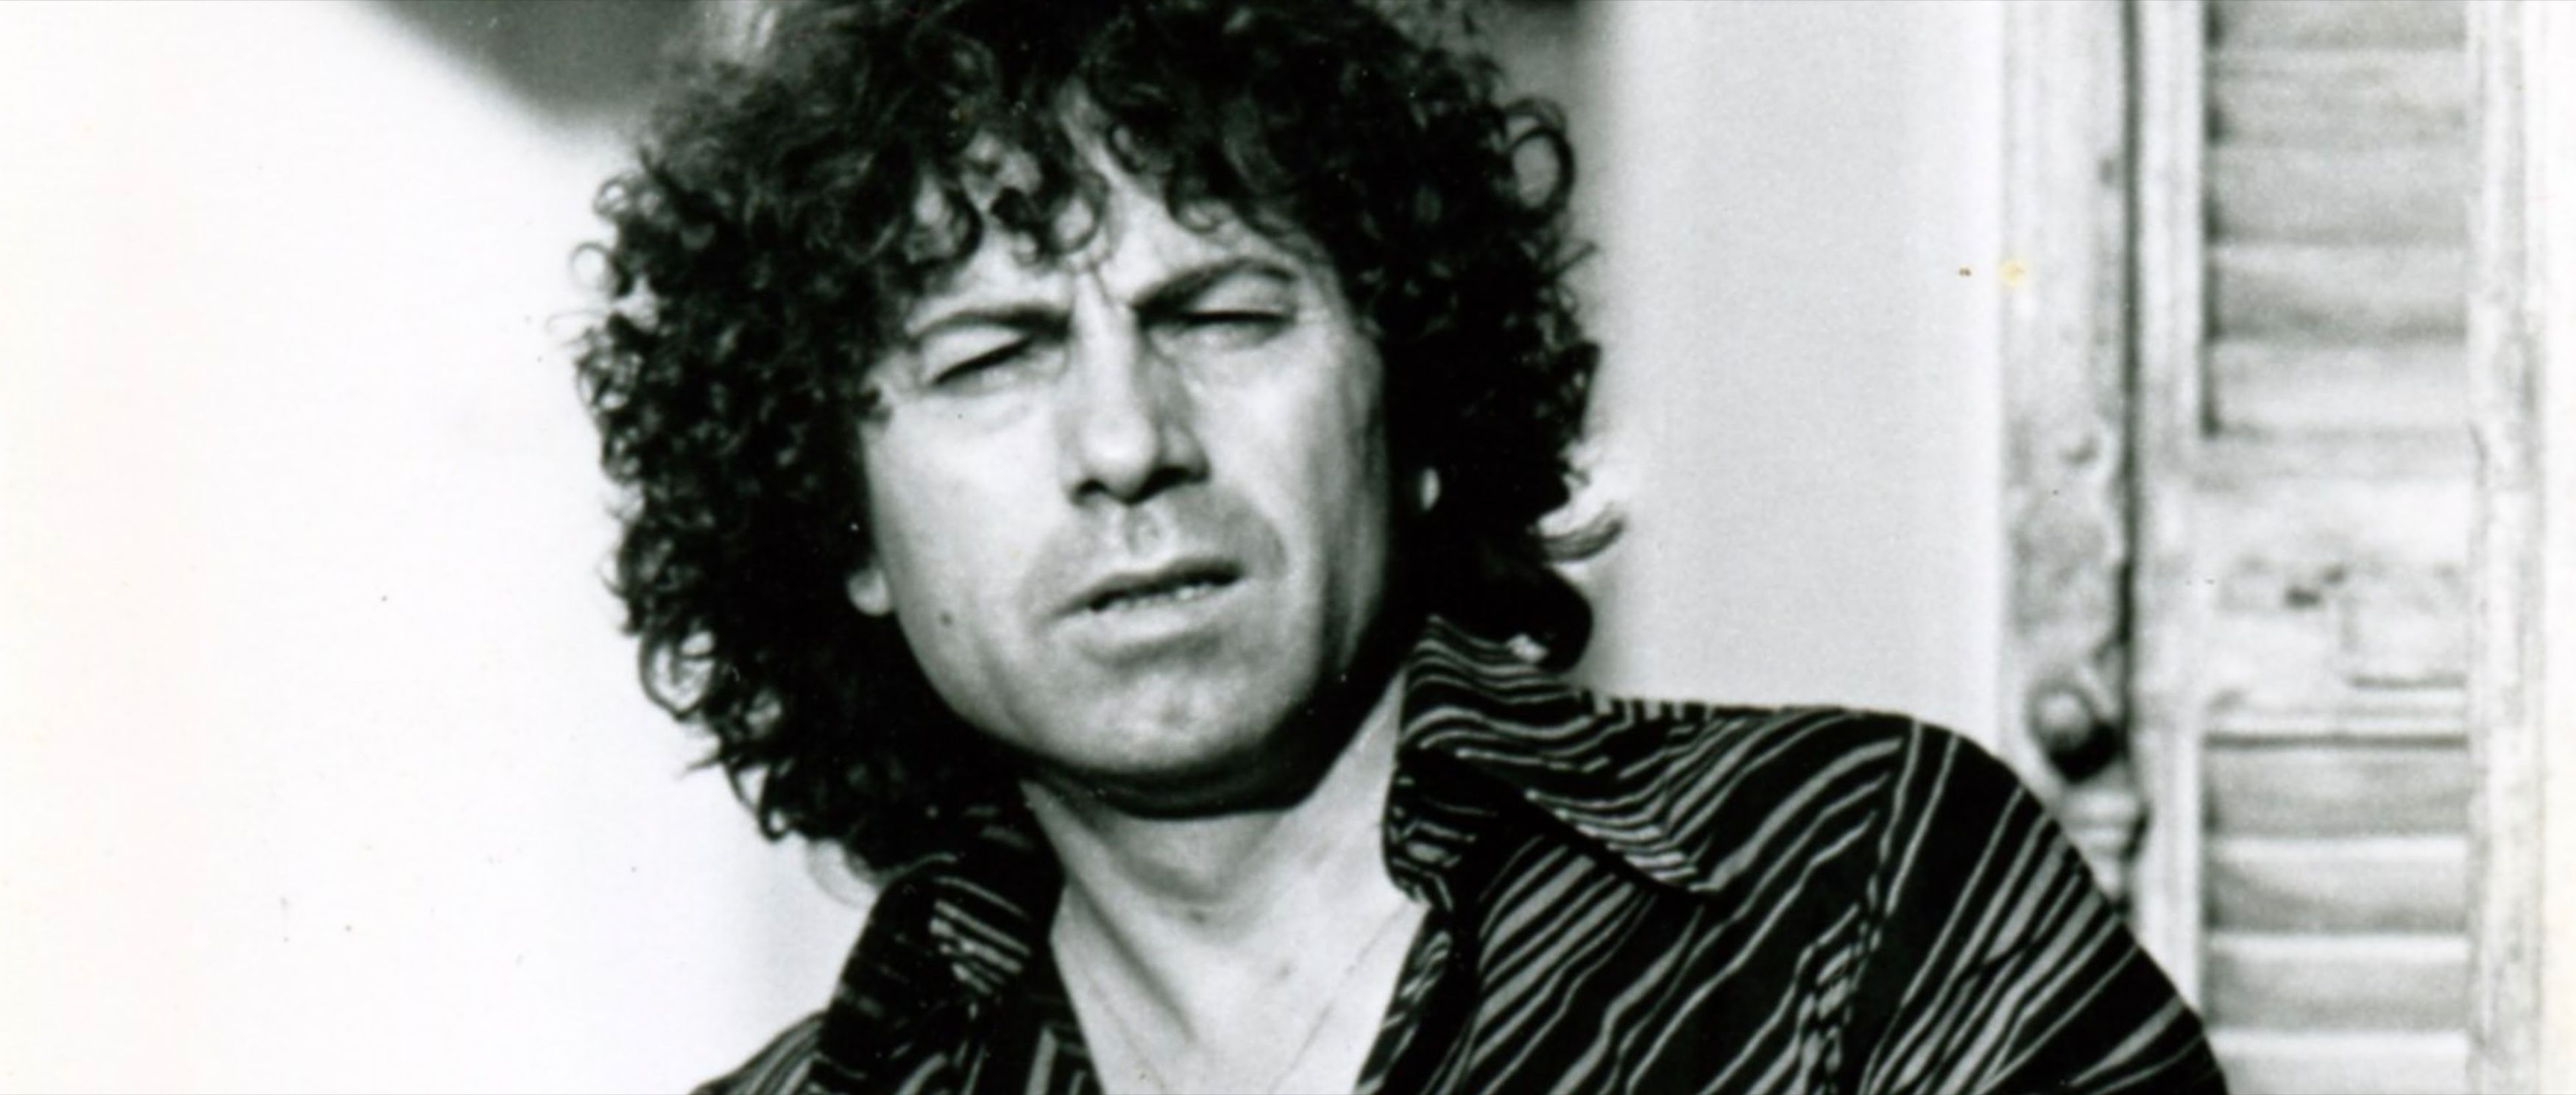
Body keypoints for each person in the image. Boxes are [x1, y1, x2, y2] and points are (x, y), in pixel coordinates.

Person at [574, 1, 2227, 1091]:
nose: (1128, 442)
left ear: (1413, 403)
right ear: (843, 520)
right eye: (992, 357)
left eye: (1220, 315)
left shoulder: (1856, 885)